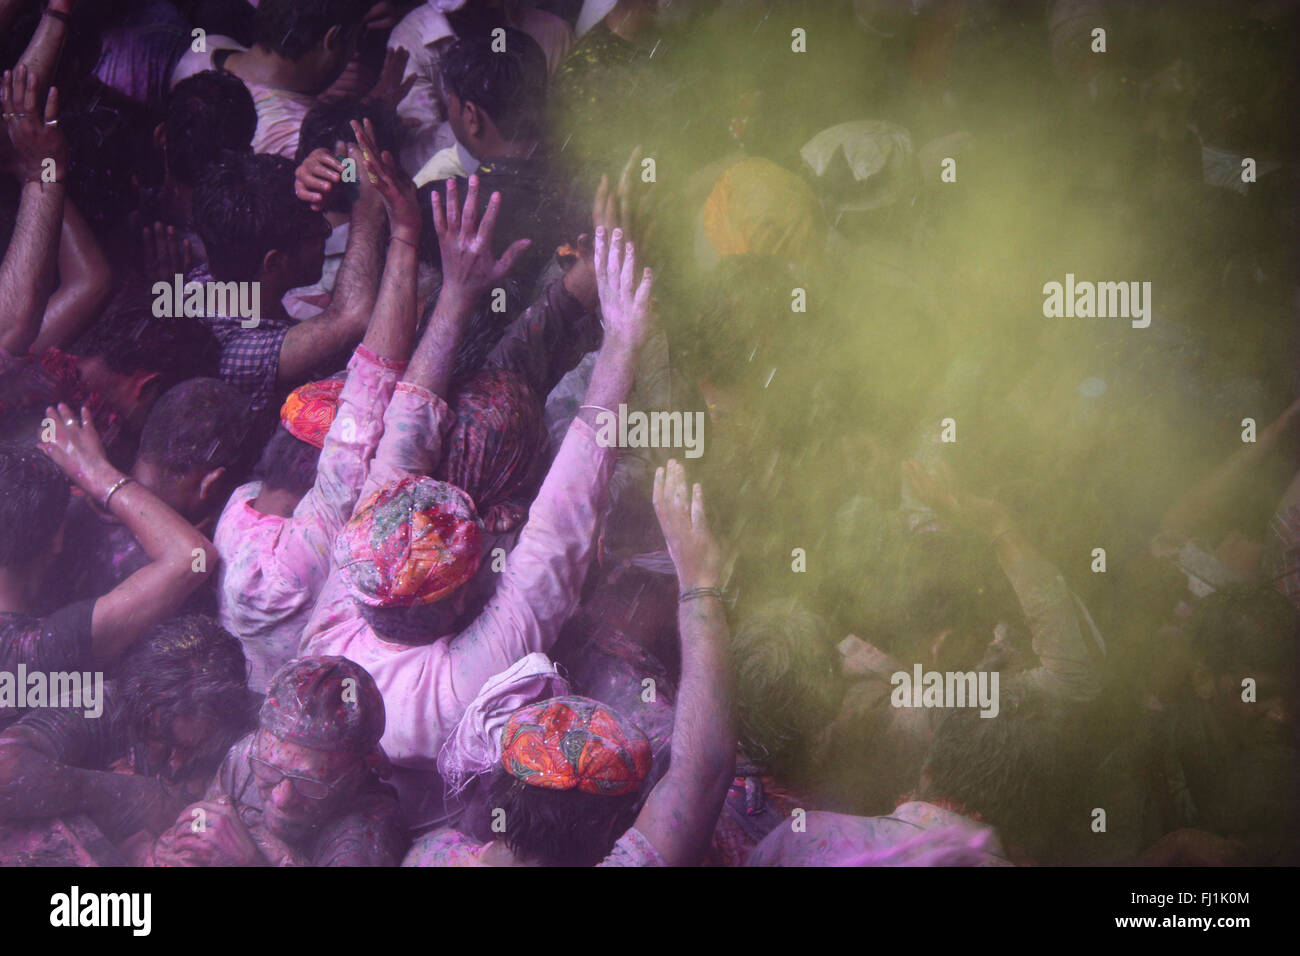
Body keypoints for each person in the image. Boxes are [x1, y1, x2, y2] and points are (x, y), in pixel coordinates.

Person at [299, 175, 653, 799]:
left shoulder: (347, 598)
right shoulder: (463, 682)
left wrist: (459, 294)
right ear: (466, 601)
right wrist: (623, 342)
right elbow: (561, 522)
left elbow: (402, 441)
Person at [404, 458, 736, 866]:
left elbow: (702, 776)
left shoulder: (431, 854)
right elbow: (702, 775)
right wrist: (698, 582)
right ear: (608, 828)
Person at [0, 615, 253, 865]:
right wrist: (129, 795)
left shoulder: (259, 738)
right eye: (160, 740)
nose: (175, 763)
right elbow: (6, 769)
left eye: (197, 748)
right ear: (134, 702)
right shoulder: (105, 704)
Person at [152, 656, 405, 867]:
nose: (281, 799)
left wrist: (250, 861)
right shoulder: (247, 756)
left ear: (358, 772)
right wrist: (179, 843)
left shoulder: (365, 841)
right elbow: (200, 824)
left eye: (310, 783)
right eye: (269, 769)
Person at [191, 149, 387, 413]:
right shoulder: (240, 353)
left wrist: (330, 174)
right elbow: (352, 316)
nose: (325, 236)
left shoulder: (212, 279)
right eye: (317, 233)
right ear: (274, 262)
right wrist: (367, 212)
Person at [171, 0, 369, 159]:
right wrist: (372, 109)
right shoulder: (298, 140)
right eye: (356, 38)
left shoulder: (207, 45)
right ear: (332, 39)